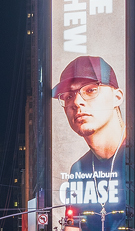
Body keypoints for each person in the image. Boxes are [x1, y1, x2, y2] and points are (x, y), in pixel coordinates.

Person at [54, 56, 126, 209]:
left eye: (91, 90)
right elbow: (72, 229)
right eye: (68, 96)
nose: (76, 102)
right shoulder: (78, 169)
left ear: (117, 97)